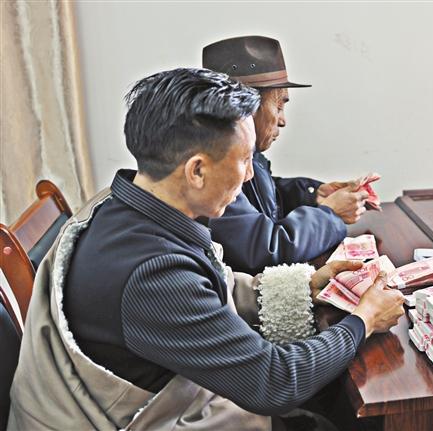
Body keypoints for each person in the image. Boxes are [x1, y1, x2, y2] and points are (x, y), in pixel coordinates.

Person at [7, 68, 404, 430]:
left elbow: (211, 286)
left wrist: (307, 286)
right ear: (196, 170)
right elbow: (273, 382)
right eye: (245, 160)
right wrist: (365, 319)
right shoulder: (151, 273)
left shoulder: (120, 205)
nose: (249, 176)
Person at [202, 36, 370, 275]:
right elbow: (264, 249)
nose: (283, 121)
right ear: (244, 108)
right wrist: (330, 214)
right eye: (279, 106)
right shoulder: (213, 167)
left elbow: (261, 194)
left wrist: (312, 195)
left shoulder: (247, 155)